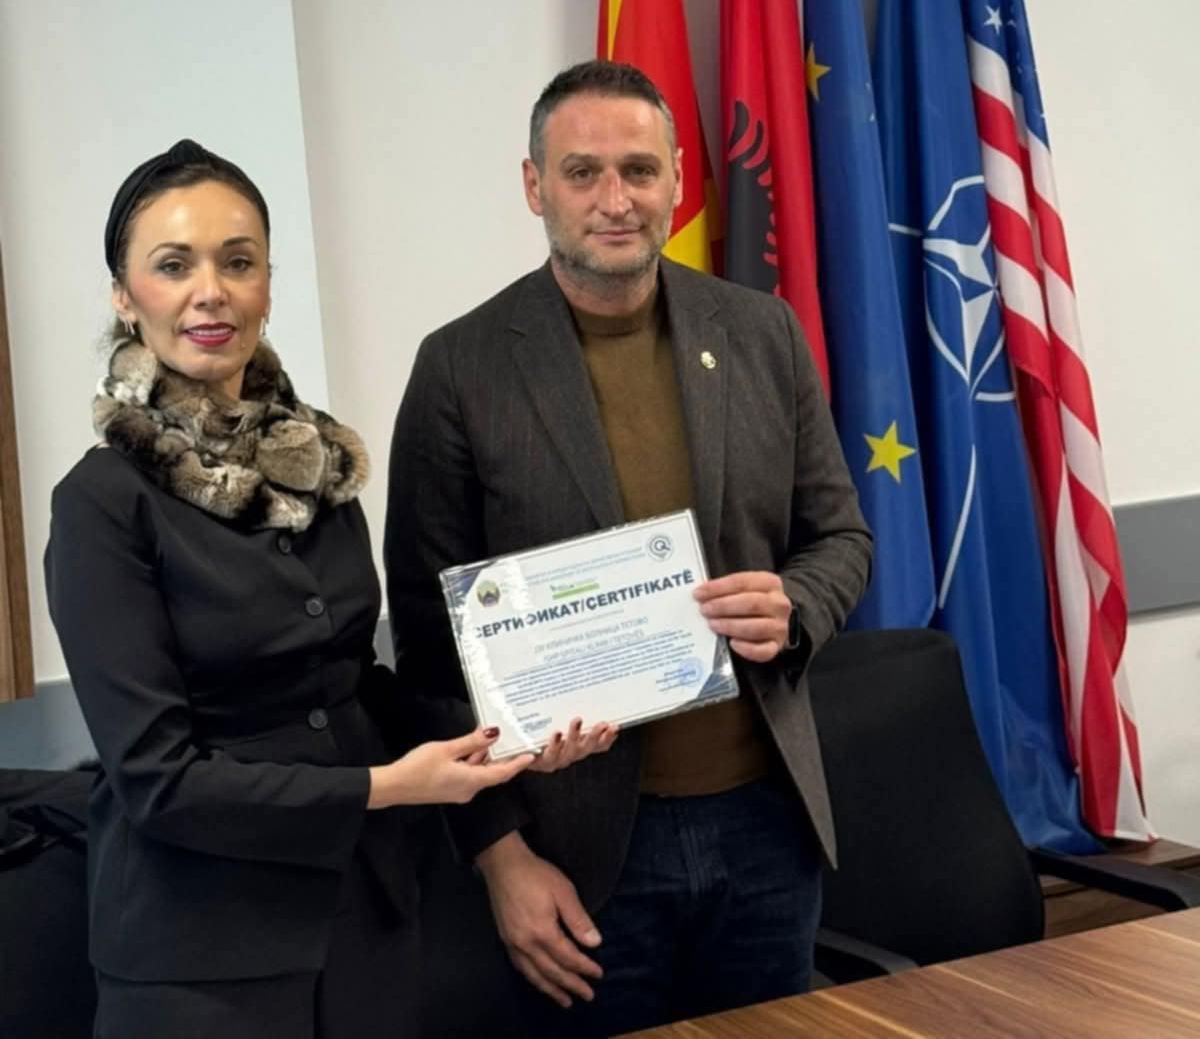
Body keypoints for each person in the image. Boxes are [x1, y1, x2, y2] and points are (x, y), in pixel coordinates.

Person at [45, 139, 615, 1039]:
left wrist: (509, 731)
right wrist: (385, 787)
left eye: (239, 262)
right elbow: (158, 780)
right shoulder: (101, 503)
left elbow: (355, 685)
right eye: (173, 265)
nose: (211, 292)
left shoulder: (311, 464)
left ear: (268, 286)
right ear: (124, 294)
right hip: (201, 961)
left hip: (366, 923)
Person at [386, 62, 873, 1036]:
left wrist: (795, 606)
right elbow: (430, 654)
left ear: (678, 180)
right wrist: (501, 860)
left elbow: (842, 537)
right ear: (535, 186)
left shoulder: (762, 332)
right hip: (577, 852)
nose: (616, 200)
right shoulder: (460, 369)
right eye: (583, 172)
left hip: (767, 827)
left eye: (640, 170)